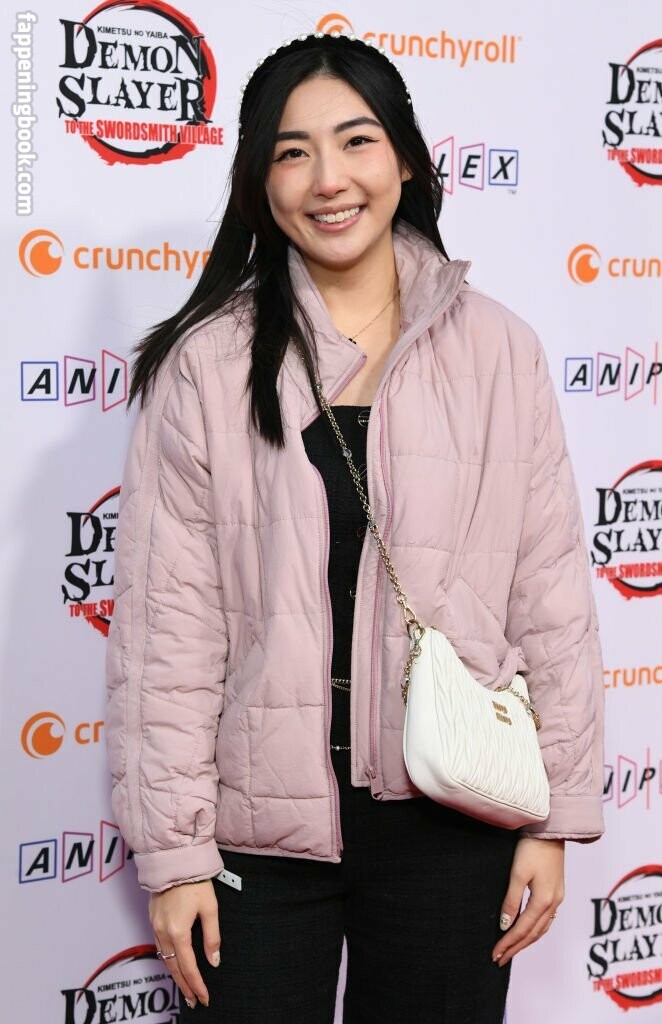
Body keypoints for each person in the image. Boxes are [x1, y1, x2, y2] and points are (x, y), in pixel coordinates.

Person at [105, 31, 605, 1024]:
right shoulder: (209, 364)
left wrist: (554, 818)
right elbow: (169, 631)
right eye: (291, 152)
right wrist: (175, 854)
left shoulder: (499, 350)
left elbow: (549, 597)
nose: (328, 179)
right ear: (260, 183)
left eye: (356, 141)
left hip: (453, 815)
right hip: (255, 833)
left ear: (406, 159)